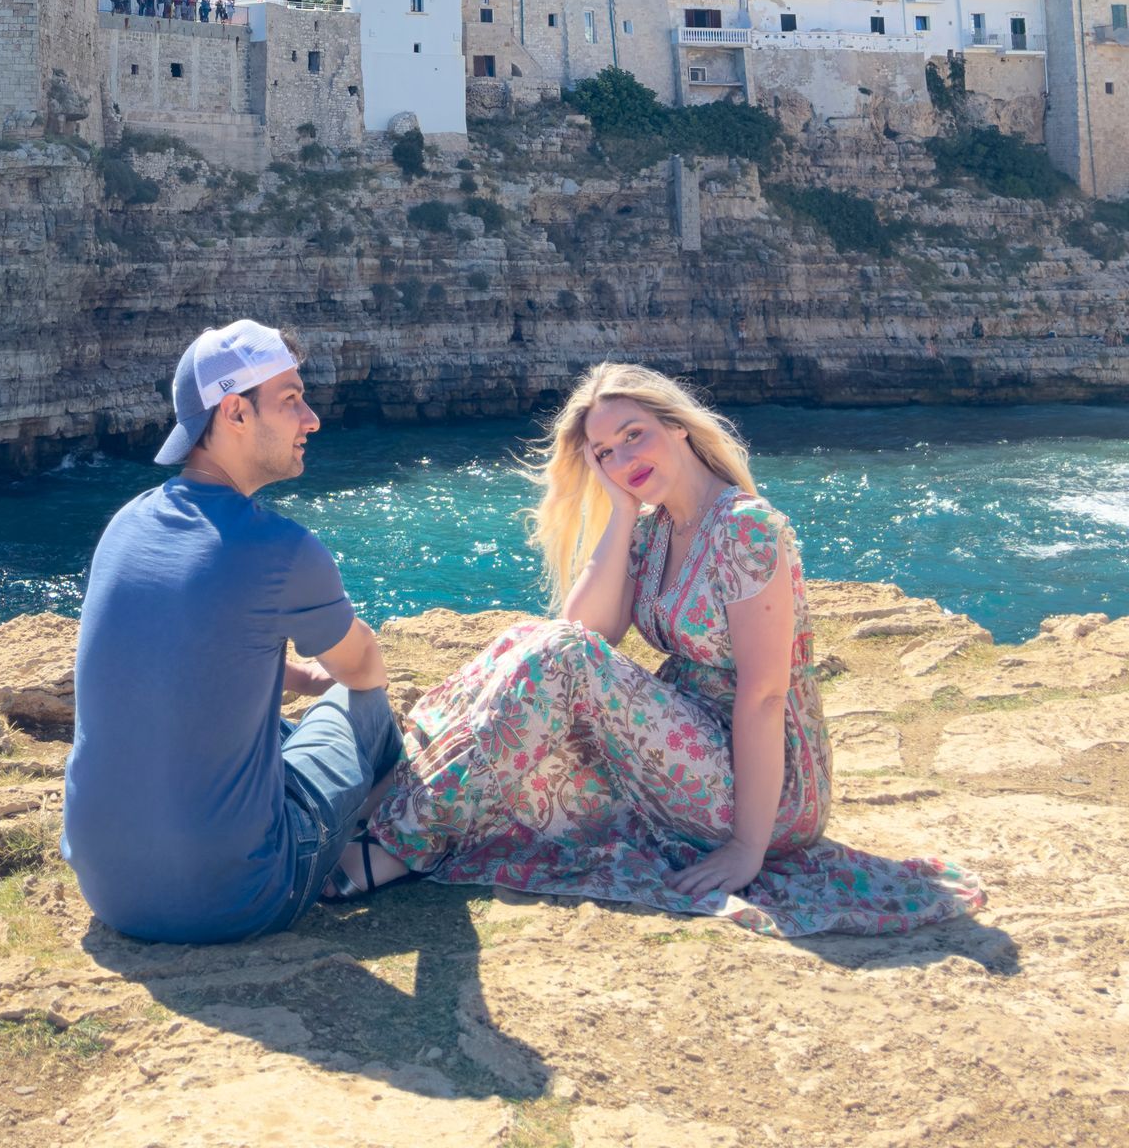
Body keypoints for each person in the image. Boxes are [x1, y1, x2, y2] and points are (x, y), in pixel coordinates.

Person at [340, 361, 986, 938]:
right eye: (605, 452)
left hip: (768, 785)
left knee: (557, 658)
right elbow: (581, 631)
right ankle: (389, 793)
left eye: (634, 435)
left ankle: (395, 843)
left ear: (677, 426)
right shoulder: (656, 530)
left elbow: (764, 695)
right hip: (693, 745)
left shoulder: (746, 528)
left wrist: (746, 848)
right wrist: (620, 510)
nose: (625, 458)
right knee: (529, 640)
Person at [62, 321, 402, 943]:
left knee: (259, 719)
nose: (312, 419)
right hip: (238, 899)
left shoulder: (125, 525)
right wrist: (331, 683)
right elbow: (365, 669)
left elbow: (200, 655)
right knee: (367, 710)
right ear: (235, 412)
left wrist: (295, 677)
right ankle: (370, 848)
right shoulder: (282, 548)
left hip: (109, 889)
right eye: (291, 399)